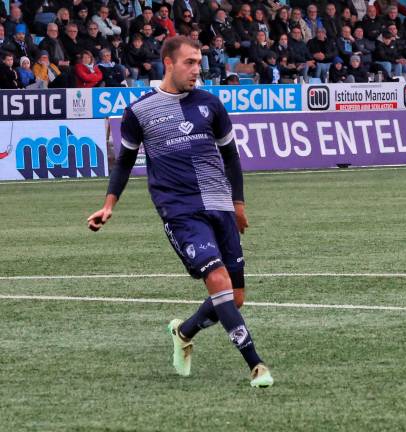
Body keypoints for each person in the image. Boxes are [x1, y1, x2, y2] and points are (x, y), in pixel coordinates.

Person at [87, 36, 274, 388]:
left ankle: (184, 331)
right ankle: (257, 365)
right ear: (168, 63)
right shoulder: (139, 112)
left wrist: (238, 204)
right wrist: (109, 204)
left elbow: (231, 157)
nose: (196, 69)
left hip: (219, 204)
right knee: (217, 280)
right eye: (189, 62)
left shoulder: (210, 104)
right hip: (179, 211)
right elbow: (125, 161)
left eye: (199, 62)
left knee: (234, 298)